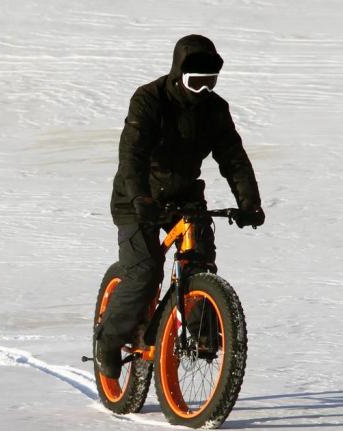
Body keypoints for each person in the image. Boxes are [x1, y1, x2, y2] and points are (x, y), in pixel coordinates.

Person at [95, 34, 265, 379]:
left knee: (199, 264)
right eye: (196, 82)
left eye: (210, 82)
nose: (203, 90)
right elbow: (132, 155)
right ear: (177, 74)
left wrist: (249, 204)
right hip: (136, 199)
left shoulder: (215, 110)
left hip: (185, 198)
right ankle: (109, 341)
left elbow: (233, 158)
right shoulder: (149, 99)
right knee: (144, 272)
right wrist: (140, 197)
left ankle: (204, 335)